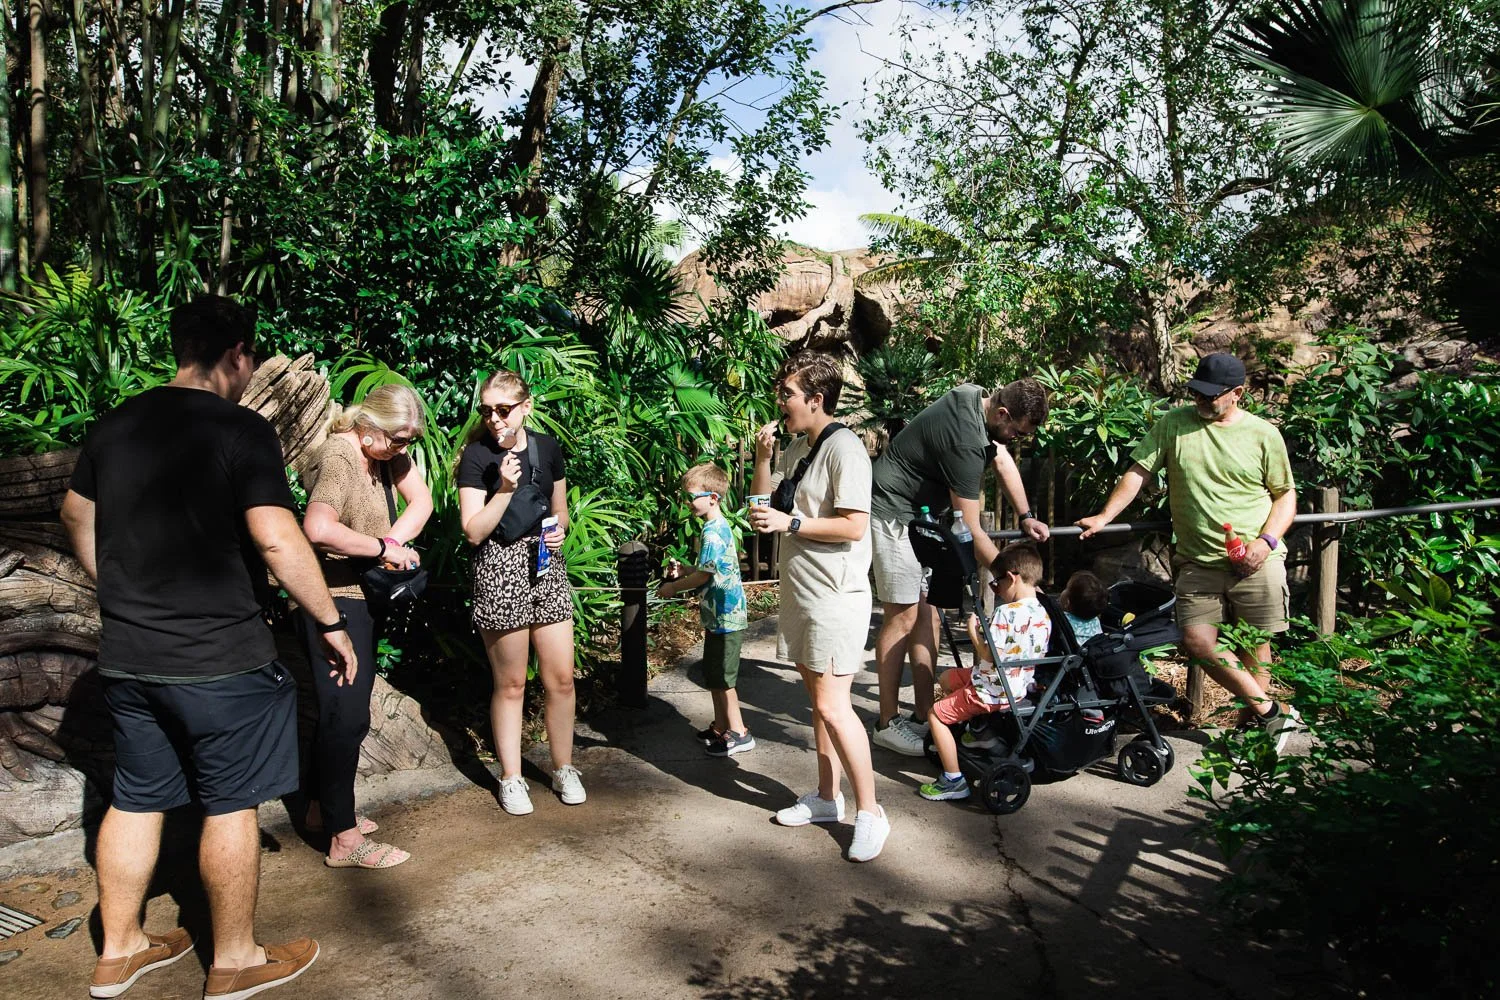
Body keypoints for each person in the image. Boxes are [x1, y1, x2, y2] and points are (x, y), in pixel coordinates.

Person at [60, 295, 355, 1000]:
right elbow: (278, 537)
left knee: (135, 800)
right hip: (220, 657)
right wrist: (330, 623)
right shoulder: (240, 428)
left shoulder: (115, 425)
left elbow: (76, 512)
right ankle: (235, 961)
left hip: (131, 656)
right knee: (231, 805)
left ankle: (122, 949)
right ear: (236, 355)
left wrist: (117, 587)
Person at [1077, 353, 1301, 749]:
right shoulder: (1173, 424)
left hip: (1257, 558)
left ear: (1237, 394)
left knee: (1256, 645)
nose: (1200, 399)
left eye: (1210, 395)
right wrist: (1104, 516)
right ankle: (1273, 715)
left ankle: (1256, 731)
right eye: (1196, 391)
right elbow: (1138, 472)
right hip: (1198, 561)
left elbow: (1285, 497)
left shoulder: (1264, 434)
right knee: (1197, 640)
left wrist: (1265, 542)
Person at [749, 351, 889, 862]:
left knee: (834, 705)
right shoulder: (798, 446)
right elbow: (762, 511)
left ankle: (871, 812)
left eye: (788, 393)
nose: (780, 401)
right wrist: (764, 460)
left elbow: (854, 525)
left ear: (816, 399)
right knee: (818, 705)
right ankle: (827, 798)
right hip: (803, 592)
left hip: (835, 596)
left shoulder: (845, 449)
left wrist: (791, 526)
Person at [868, 378, 1052, 757]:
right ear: (1002, 412)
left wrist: (1025, 515)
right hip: (892, 512)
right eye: (1016, 430)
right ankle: (886, 723)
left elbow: (1000, 457)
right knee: (901, 615)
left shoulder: (974, 396)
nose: (1016, 438)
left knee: (928, 616)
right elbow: (969, 528)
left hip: (919, 516)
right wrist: (1011, 577)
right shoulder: (966, 443)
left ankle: (922, 714)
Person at [296, 383, 432, 869]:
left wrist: (391, 542)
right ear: (368, 425)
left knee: (343, 711)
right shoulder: (341, 455)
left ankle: (321, 809)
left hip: (361, 600)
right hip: (333, 600)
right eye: (397, 439)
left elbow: (422, 502)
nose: (403, 450)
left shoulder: (384, 454)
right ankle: (344, 839)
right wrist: (380, 550)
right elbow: (318, 528)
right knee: (346, 715)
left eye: (409, 441)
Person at [457, 370, 584, 815]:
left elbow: (561, 510)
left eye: (503, 409)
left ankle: (564, 766)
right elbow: (473, 532)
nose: (494, 418)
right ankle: (511, 777)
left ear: (526, 406)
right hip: (499, 568)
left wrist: (559, 533)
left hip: (546, 566)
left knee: (561, 679)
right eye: (486, 410)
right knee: (511, 684)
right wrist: (505, 490)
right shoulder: (476, 457)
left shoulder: (547, 448)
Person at [919, 543, 1052, 800]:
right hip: (1013, 684)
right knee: (947, 678)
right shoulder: (1043, 612)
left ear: (1012, 578)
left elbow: (990, 655)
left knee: (935, 714)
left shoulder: (1006, 612)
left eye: (996, 584)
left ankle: (953, 780)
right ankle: (976, 729)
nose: (997, 590)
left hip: (992, 688)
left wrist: (973, 631)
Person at [657, 463, 752, 756]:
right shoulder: (716, 528)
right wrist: (685, 569)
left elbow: (704, 576)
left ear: (713, 497)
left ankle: (739, 732)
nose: (688, 503)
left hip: (726, 616)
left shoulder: (713, 532)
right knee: (714, 674)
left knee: (724, 678)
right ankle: (721, 725)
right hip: (718, 616)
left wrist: (673, 587)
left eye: (692, 496)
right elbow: (708, 569)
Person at [1059, 569, 1109, 643]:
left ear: (1067, 602)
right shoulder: (1095, 620)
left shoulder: (1062, 619)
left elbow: (1049, 607)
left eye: (1066, 588)